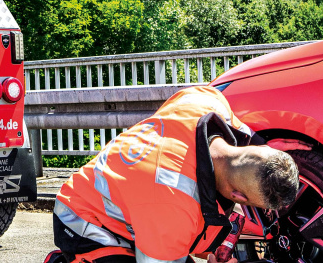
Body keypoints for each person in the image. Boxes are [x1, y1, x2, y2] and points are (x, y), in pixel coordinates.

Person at [52, 86, 300, 263]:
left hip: (138, 203)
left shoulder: (206, 101)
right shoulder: (171, 201)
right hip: (84, 220)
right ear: (237, 195)